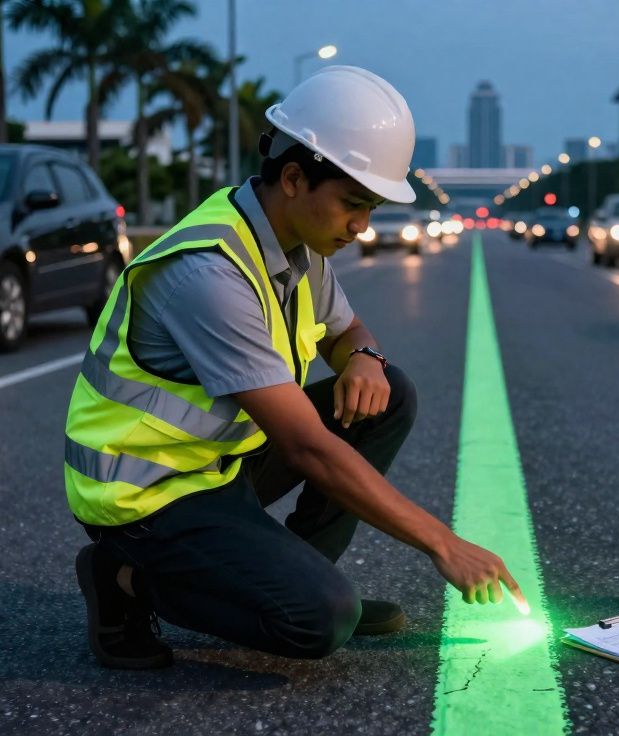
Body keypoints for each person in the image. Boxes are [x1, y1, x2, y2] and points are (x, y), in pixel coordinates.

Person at [62, 65, 525, 669]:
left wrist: (364, 357)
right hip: (145, 495)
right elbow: (306, 448)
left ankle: (291, 576)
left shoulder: (295, 245)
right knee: (319, 620)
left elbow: (349, 331)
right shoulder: (209, 272)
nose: (362, 228)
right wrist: (444, 544)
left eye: (372, 208)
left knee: (392, 393)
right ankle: (120, 579)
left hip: (217, 468)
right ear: (292, 177)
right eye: (353, 205)